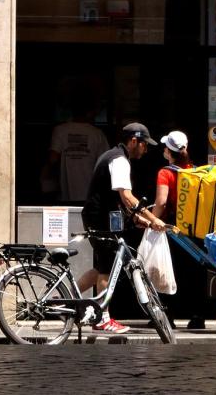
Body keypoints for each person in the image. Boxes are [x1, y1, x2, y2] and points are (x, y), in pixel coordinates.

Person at [78, 122, 167, 335]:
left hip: (99, 217)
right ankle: (103, 319)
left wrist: (136, 218)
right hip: (101, 219)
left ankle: (59, 298)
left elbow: (119, 199)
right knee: (107, 270)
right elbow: (126, 196)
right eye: (144, 144)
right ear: (134, 141)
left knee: (100, 267)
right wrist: (152, 217)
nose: (145, 149)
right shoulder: (119, 161)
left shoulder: (114, 156)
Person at [152, 130, 207, 330]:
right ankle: (198, 316)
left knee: (168, 270)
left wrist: (152, 220)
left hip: (173, 230)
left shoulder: (165, 173)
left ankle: (167, 315)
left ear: (168, 151)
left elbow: (162, 202)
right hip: (196, 230)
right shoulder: (196, 171)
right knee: (194, 272)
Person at [42, 97, 109, 202]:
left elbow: (53, 159)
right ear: (89, 112)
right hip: (90, 197)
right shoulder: (97, 134)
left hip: (66, 196)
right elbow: (106, 165)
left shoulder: (60, 130)